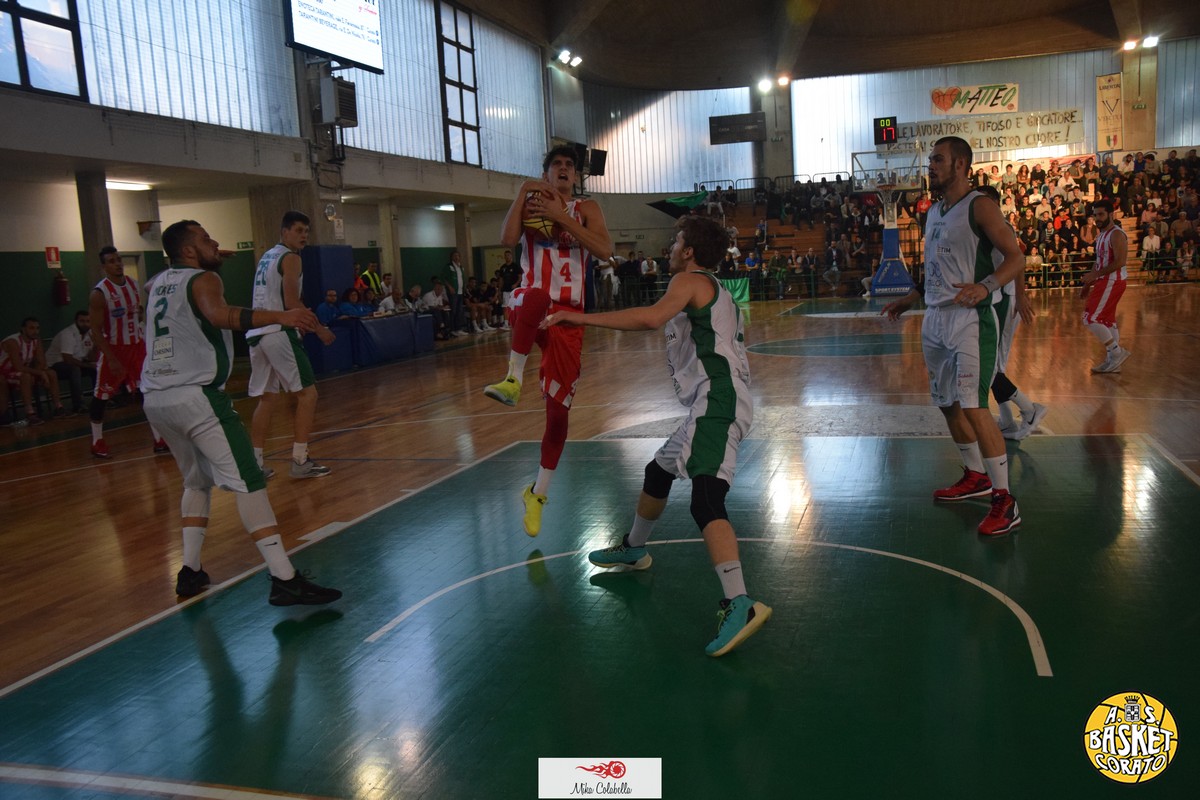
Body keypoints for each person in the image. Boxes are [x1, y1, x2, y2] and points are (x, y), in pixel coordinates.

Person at [542, 215, 770, 657]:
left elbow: (649, 319)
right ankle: (634, 548)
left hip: (717, 400)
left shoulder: (689, 280)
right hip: (715, 400)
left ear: (689, 251)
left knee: (706, 500)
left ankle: (739, 602)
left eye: (676, 240)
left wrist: (577, 317)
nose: (671, 248)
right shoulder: (715, 289)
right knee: (657, 472)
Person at [144, 219, 341, 605]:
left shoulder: (158, 283)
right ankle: (284, 578)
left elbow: (154, 284)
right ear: (188, 251)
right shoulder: (204, 279)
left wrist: (198, 256)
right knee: (249, 480)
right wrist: (281, 316)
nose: (214, 242)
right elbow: (220, 315)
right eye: (205, 239)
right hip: (197, 397)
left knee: (196, 482)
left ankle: (190, 571)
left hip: (155, 399)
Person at [881, 136, 1025, 536]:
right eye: (931, 160)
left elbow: (1016, 257)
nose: (931, 166)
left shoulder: (980, 206)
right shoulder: (934, 212)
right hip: (935, 319)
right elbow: (935, 270)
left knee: (974, 406)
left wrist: (987, 285)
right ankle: (976, 475)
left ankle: (1005, 500)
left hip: (970, 319)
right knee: (947, 404)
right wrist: (910, 298)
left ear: (961, 164)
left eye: (938, 159)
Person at [482, 144, 613, 536]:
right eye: (556, 164)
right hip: (530, 303)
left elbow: (605, 250)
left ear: (576, 175)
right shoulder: (531, 203)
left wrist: (561, 217)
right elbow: (506, 239)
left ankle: (537, 493)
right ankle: (513, 378)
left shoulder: (587, 209)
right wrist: (523, 192)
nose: (564, 168)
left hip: (569, 317)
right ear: (545, 174)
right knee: (537, 296)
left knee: (558, 416)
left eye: (570, 165)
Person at [246, 211, 337, 481]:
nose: (304, 236)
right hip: (278, 331)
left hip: (257, 332)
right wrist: (319, 328)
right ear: (284, 231)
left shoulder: (266, 256)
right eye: (298, 230)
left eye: (306, 231)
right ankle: (300, 460)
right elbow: (291, 302)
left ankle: (254, 464)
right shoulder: (291, 258)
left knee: (267, 399)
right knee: (308, 395)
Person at [975, 186, 1048, 441]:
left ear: (994, 203)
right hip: (996, 298)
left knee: (991, 367)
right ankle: (1007, 421)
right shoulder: (984, 227)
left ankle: (1030, 409)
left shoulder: (1001, 226)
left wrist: (1020, 295)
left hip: (1004, 299)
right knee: (994, 366)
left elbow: (1018, 260)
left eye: (983, 201)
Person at [88, 246, 166, 457]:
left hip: (137, 347)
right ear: (104, 267)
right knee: (102, 395)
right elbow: (95, 330)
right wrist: (111, 358)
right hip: (114, 349)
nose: (117, 264)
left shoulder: (132, 284)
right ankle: (97, 441)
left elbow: (136, 314)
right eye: (111, 261)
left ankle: (159, 438)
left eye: (118, 259)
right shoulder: (99, 293)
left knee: (147, 392)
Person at [1081, 199, 1132, 373]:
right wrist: (1088, 283)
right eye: (1095, 215)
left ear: (1111, 214)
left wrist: (1095, 275)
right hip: (1105, 280)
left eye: (1101, 214)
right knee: (1107, 321)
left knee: (1090, 318)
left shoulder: (1117, 234)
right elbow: (1098, 261)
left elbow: (1120, 261)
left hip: (1112, 281)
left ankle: (1116, 353)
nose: (1097, 218)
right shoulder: (1102, 234)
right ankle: (1113, 363)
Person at [1, 317, 68, 425]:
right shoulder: (13, 341)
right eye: (31, 328)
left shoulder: (36, 340)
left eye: (37, 328)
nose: (35, 331)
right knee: (26, 376)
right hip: (5, 372)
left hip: (23, 370)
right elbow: (18, 367)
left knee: (51, 373)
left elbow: (41, 362)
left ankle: (58, 407)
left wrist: (41, 373)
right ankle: (30, 413)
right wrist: (40, 373)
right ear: (23, 329)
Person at [46, 310, 97, 414]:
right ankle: (79, 405)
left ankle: (99, 400)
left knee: (98, 367)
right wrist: (88, 365)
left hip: (77, 361)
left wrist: (96, 345)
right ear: (76, 321)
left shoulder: (91, 334)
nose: (85, 324)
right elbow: (67, 359)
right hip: (55, 364)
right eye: (82, 321)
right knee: (75, 370)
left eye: (88, 321)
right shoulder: (68, 334)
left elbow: (91, 358)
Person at [442, 249, 469, 336]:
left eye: (458, 256)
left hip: (460, 292)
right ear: (451, 257)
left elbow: (462, 279)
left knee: (459, 311)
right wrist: (450, 287)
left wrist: (465, 288)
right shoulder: (449, 267)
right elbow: (443, 278)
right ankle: (452, 329)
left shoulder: (461, 267)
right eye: (455, 256)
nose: (457, 257)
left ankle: (458, 328)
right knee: (453, 311)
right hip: (453, 292)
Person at [498, 249, 522, 328]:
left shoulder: (515, 266)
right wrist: (499, 289)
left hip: (514, 290)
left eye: (508, 255)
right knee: (505, 306)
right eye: (505, 256)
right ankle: (506, 323)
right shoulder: (503, 267)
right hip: (506, 289)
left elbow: (520, 277)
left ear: (511, 256)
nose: (507, 257)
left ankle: (516, 322)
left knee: (515, 306)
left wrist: (516, 284)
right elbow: (501, 279)